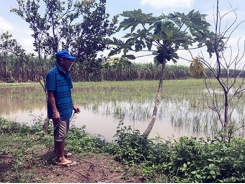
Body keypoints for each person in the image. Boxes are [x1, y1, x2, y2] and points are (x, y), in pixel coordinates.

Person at [46, 49, 80, 167]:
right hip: (59, 110)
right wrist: (55, 111)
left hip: (66, 109)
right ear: (61, 60)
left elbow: (68, 91)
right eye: (68, 60)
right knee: (60, 134)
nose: (70, 62)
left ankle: (57, 151)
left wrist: (73, 105)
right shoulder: (52, 73)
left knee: (63, 133)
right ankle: (61, 159)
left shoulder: (67, 73)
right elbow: (50, 94)